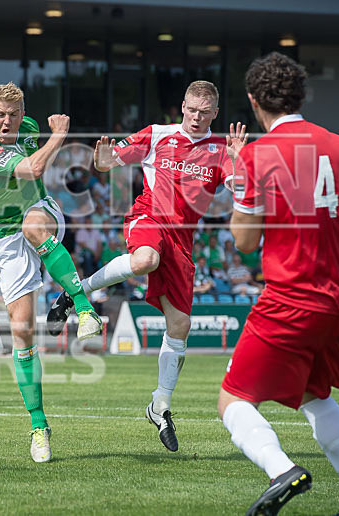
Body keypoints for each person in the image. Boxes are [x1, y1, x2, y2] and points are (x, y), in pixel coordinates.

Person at [47, 80, 248, 452]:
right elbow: (106, 163)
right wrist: (103, 158)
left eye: (205, 112)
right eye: (191, 109)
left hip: (182, 242)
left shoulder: (221, 150)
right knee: (144, 259)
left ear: (215, 114)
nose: (196, 117)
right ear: (182, 105)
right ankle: (77, 291)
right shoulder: (157, 134)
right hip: (149, 217)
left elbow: (241, 192)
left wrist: (239, 160)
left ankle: (160, 405)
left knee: (181, 324)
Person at [218, 52, 339, 516]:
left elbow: (243, 240)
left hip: (291, 295)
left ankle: (281, 469)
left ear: (254, 100)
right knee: (312, 394)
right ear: (301, 95)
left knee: (233, 398)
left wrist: (238, 179)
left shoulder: (258, 155)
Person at [0, 82, 102, 463]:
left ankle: (85, 308)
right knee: (22, 331)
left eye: (13, 114)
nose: (7, 121)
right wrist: (60, 135)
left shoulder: (27, 127)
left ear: (21, 112)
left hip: (40, 212)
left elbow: (31, 169)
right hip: (2, 237)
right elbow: (33, 166)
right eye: (0, 115)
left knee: (33, 225)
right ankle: (39, 426)